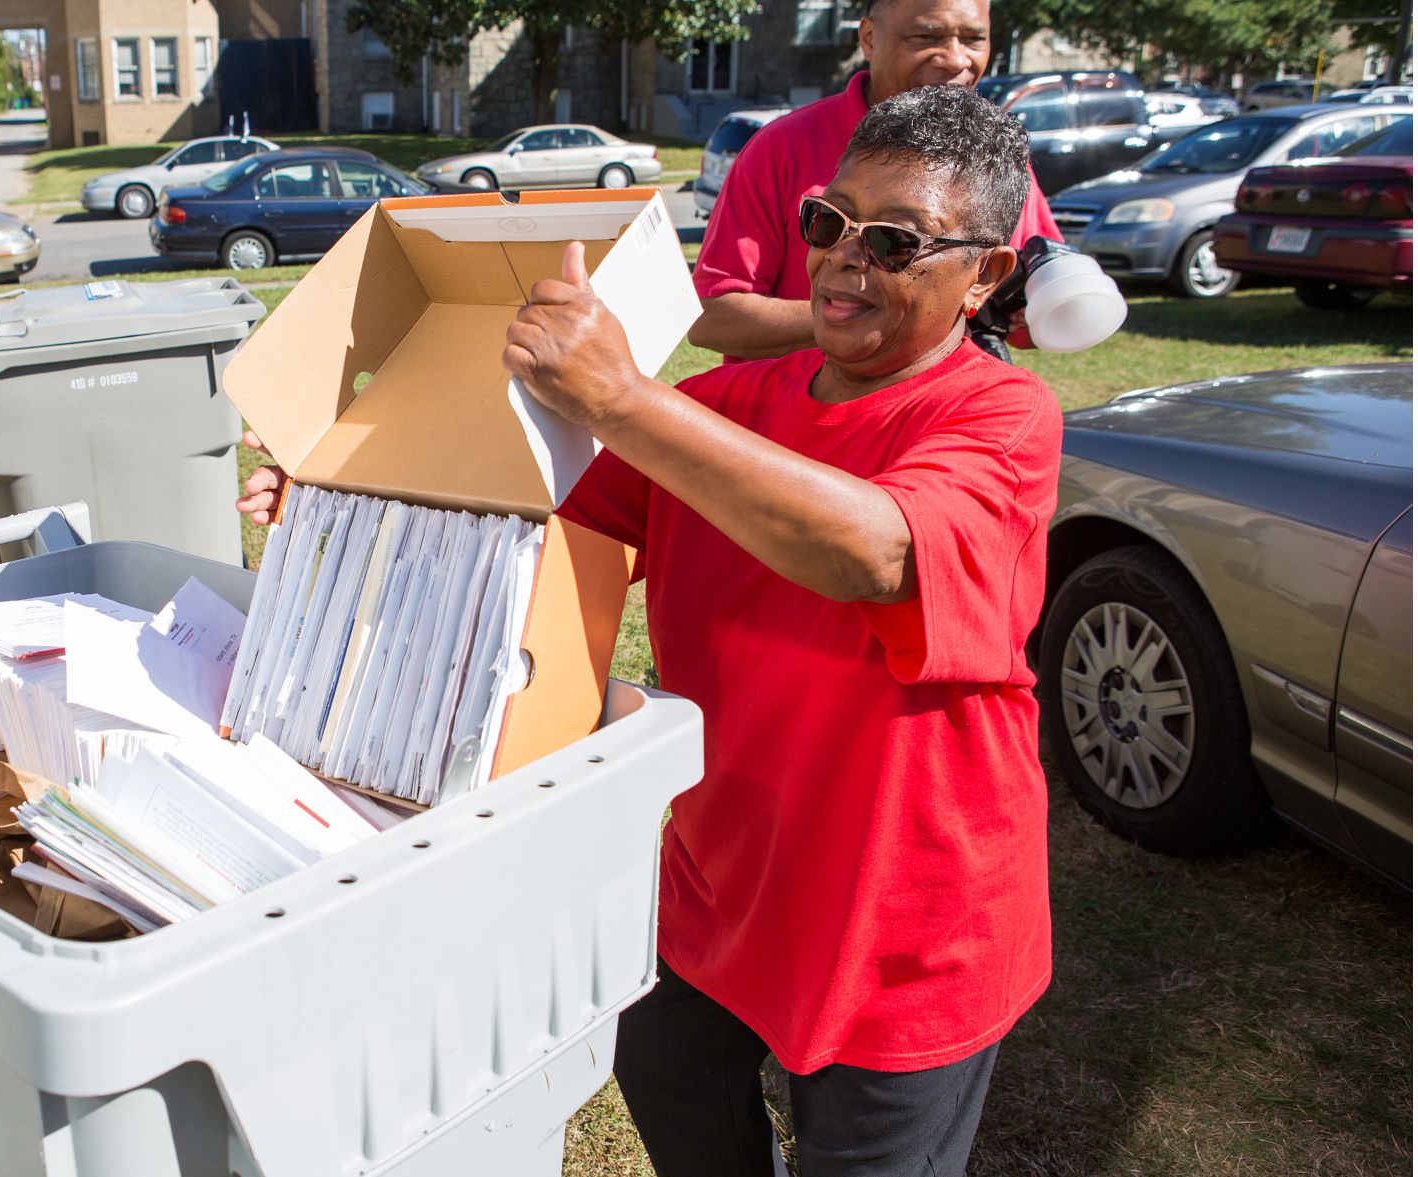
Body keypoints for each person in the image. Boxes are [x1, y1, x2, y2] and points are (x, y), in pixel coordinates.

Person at [242, 85, 1058, 1175]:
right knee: (679, 1109)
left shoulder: (998, 418)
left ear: (985, 274)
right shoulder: (726, 406)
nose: (844, 262)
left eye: (896, 242)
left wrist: (622, 398)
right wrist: (346, 483)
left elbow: (874, 551)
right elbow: (512, 508)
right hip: (712, 879)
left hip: (902, 921)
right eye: (828, 224)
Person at [689, 0, 1062, 361]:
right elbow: (711, 316)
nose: (955, 59)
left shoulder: (992, 161)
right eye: (925, 38)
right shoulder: (781, 147)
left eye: (973, 39)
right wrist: (861, 314)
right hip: (792, 420)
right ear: (868, 37)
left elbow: (1039, 307)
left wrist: (1030, 308)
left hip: (940, 416)